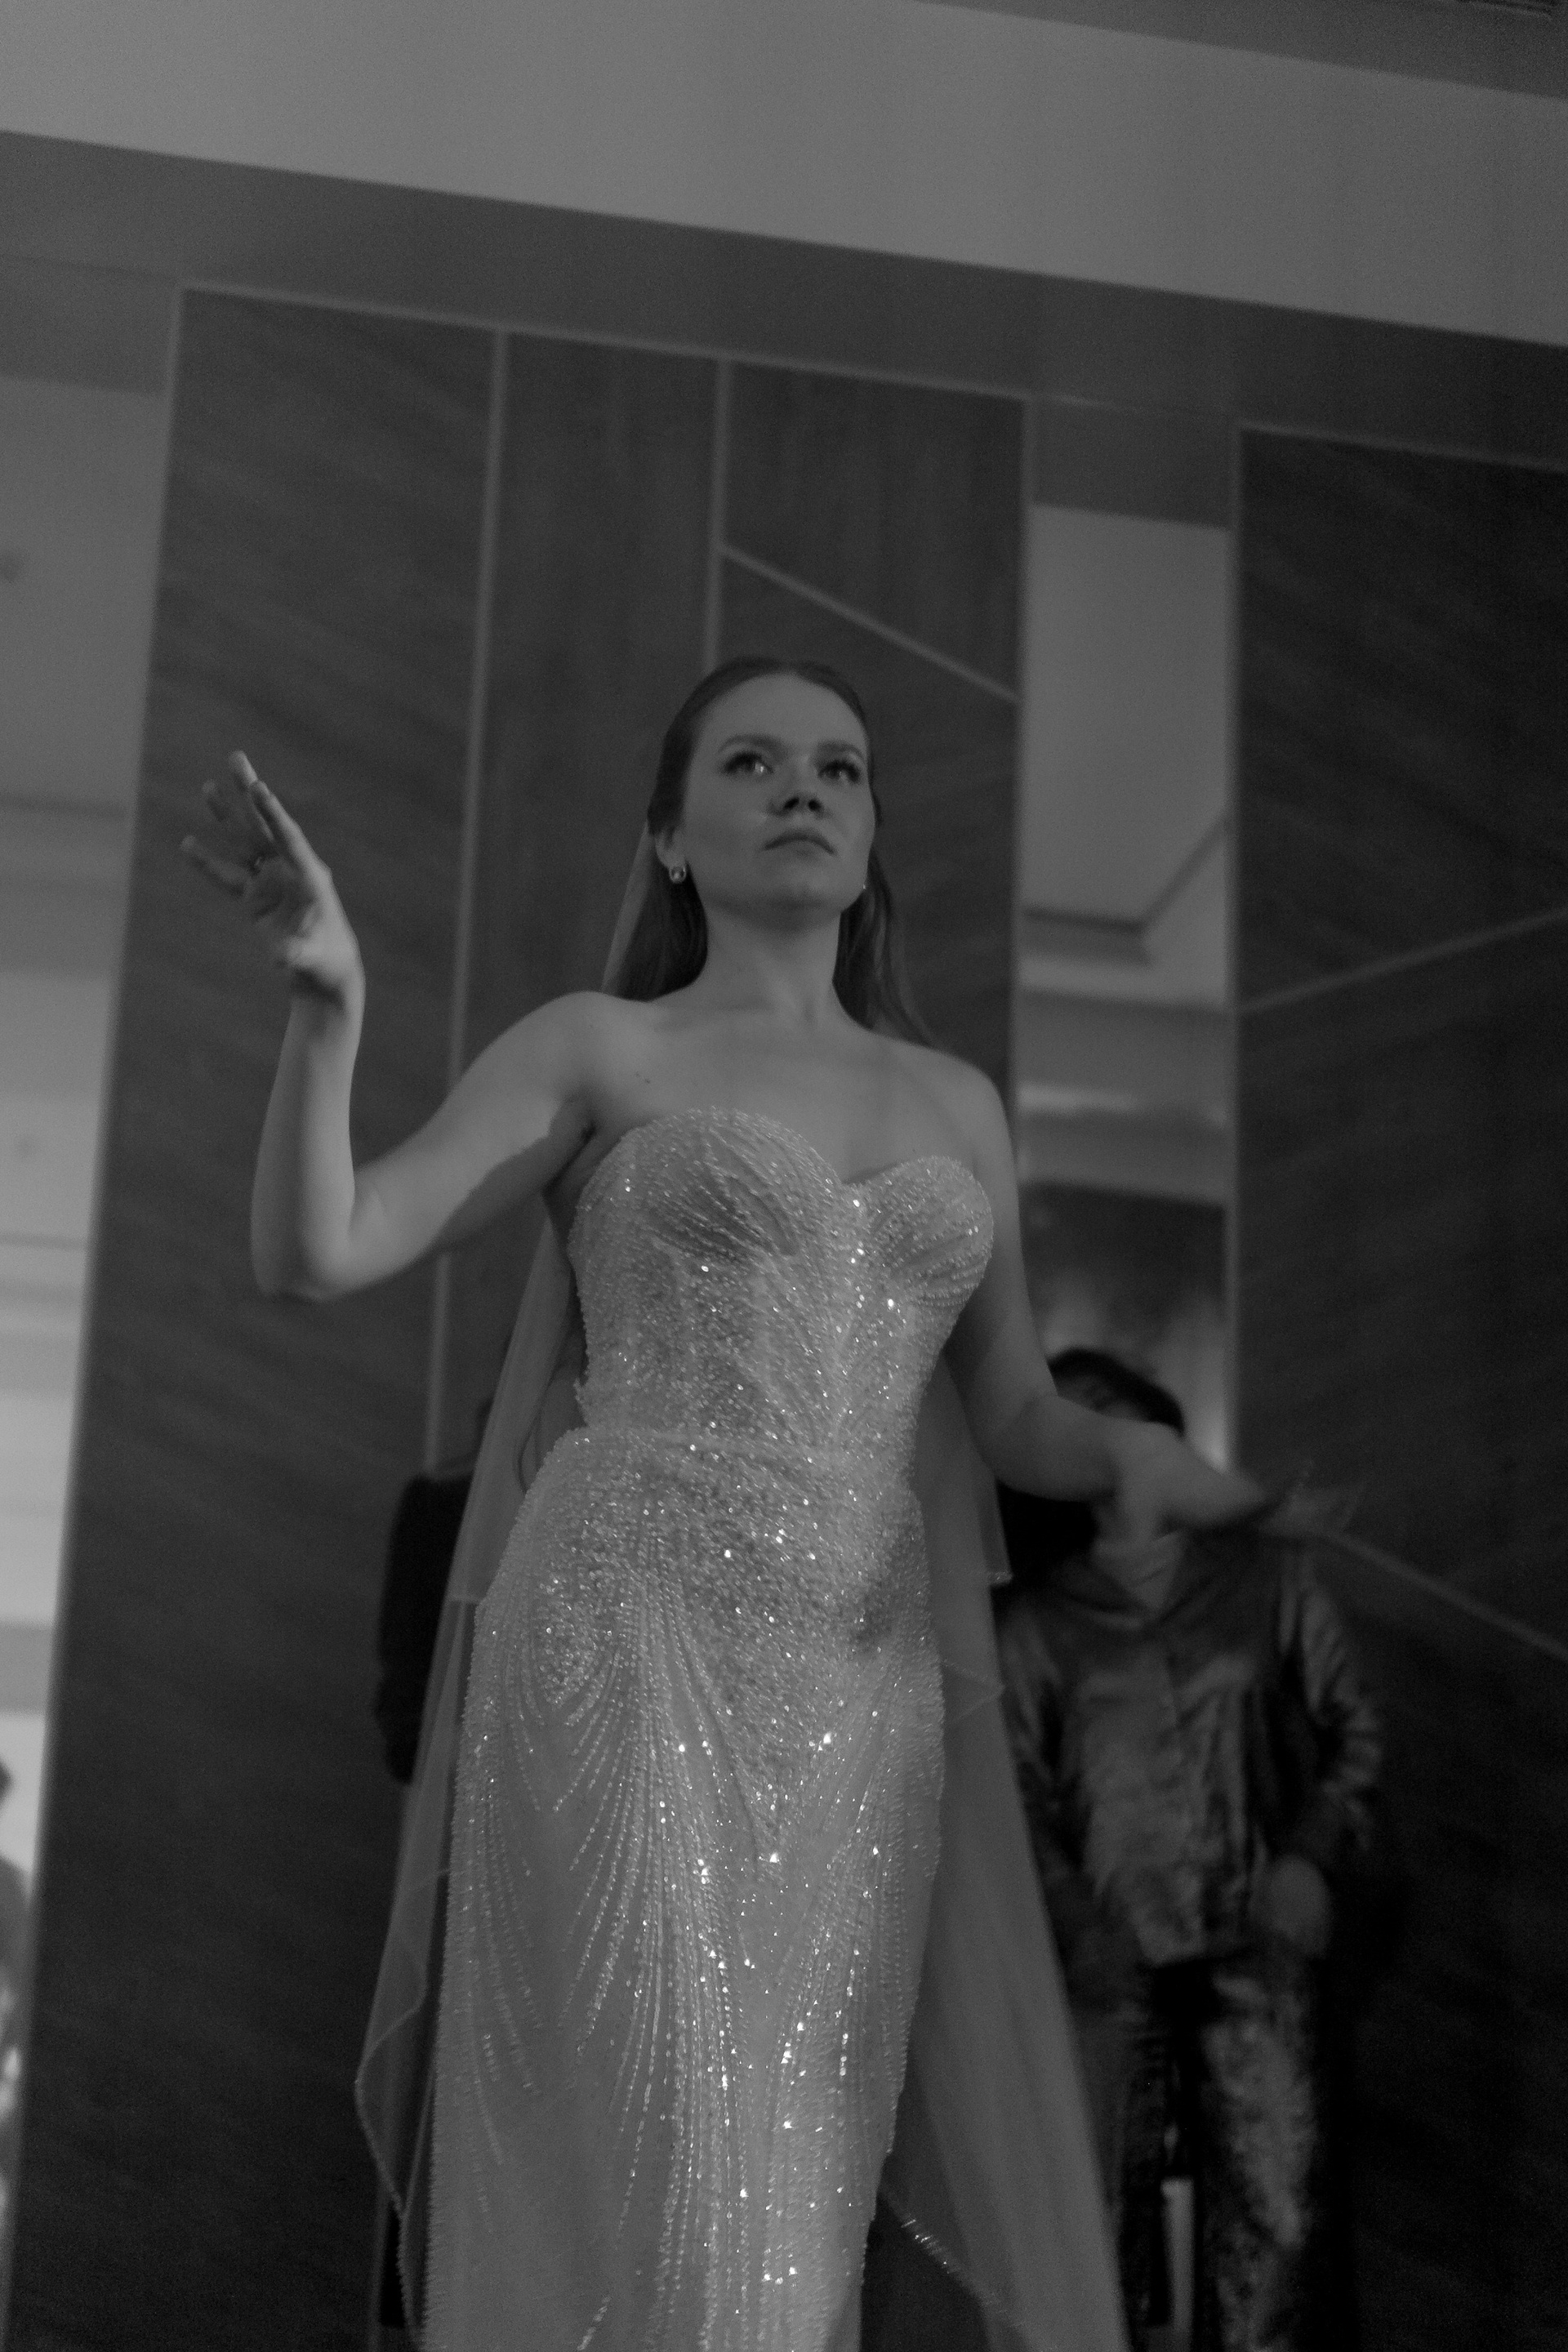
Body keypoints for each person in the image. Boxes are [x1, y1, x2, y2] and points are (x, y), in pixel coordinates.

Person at [184, 655, 1267, 2352]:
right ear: (672, 839)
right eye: (752, 763)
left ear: (872, 831)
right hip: (625, 1627)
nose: (804, 788)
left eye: (840, 766)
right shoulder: (601, 1045)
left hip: (856, 1683)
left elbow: (1013, 1415)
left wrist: (1136, 1460)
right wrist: (331, 1004)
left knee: (788, 2188)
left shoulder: (956, 1103)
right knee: (663, 2130)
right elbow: (318, 1248)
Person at [995, 1349, 1383, 2352]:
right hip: (1106, 1971)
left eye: (1108, 1407)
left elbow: (1357, 1731)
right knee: (1091, 2231)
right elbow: (1015, 1796)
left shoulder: (1269, 1580)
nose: (1097, 1430)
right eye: (1069, 1419)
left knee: (1277, 2226)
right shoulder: (1036, 1621)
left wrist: (1310, 1854)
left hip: (1258, 1950)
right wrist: (1075, 1923)